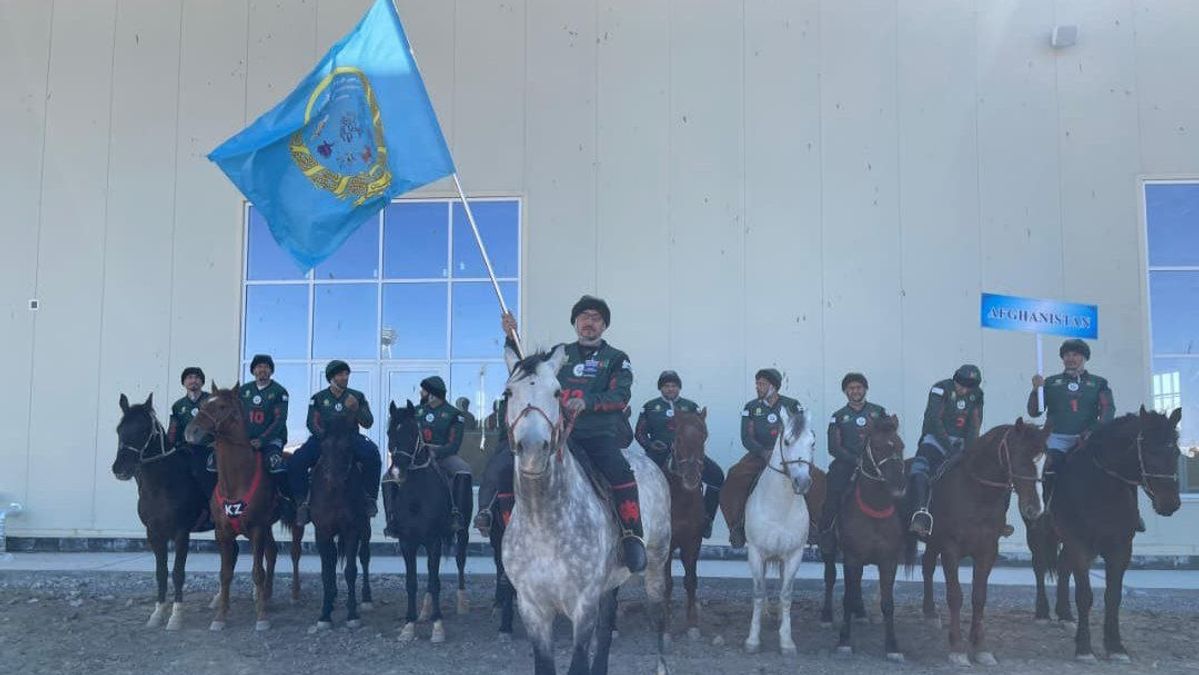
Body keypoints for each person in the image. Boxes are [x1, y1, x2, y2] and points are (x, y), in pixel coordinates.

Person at [501, 295, 647, 573]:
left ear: (604, 325)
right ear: (575, 323)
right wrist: (511, 337)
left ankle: (631, 536)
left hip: (597, 435)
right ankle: (509, 534)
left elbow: (621, 394)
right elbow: (523, 372)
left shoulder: (616, 358)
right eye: (583, 317)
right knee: (505, 468)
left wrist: (588, 402)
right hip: (558, 435)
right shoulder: (558, 355)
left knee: (621, 473)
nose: (588, 322)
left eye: (595, 318)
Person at [1028, 339, 1121, 520]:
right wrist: (1035, 390)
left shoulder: (1099, 383)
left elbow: (1108, 410)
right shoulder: (1051, 382)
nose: (1071, 358)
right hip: (1055, 438)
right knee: (1044, 469)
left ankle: (1126, 514)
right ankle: (1043, 509)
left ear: (1084, 358)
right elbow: (1035, 411)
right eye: (1067, 355)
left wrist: (1092, 430)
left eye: (1076, 355)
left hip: (1087, 439)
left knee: (1113, 467)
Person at [719, 368, 805, 548]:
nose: (758, 387)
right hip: (759, 455)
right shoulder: (751, 407)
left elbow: (800, 432)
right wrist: (762, 452)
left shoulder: (792, 405)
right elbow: (746, 437)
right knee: (735, 475)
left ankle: (814, 527)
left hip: (788, 456)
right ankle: (736, 526)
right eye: (757, 383)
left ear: (773, 386)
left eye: (762, 384)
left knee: (812, 478)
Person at [290, 360, 382, 525]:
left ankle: (370, 498)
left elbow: (368, 422)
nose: (345, 377)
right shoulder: (318, 398)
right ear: (331, 378)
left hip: (350, 438)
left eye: (347, 374)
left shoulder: (357, 396)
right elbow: (311, 422)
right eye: (341, 374)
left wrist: (356, 409)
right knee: (297, 460)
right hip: (323, 438)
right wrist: (323, 436)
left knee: (373, 454)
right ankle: (302, 503)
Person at [634, 370, 725, 538]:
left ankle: (707, 519)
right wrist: (650, 445)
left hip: (687, 455)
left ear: (679, 388)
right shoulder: (650, 406)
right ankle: (641, 522)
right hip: (659, 452)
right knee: (641, 482)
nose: (670, 389)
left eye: (674, 386)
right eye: (666, 386)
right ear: (661, 388)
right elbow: (639, 433)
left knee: (717, 477)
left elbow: (700, 430)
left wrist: (694, 448)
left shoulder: (690, 406)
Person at [907, 364, 983, 538]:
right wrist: (949, 448)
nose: (964, 390)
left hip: (962, 442)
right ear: (955, 380)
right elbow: (934, 419)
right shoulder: (940, 388)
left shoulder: (977, 395)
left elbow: (975, 423)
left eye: (968, 387)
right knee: (920, 467)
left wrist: (970, 448)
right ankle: (921, 512)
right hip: (936, 439)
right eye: (961, 385)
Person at [817, 372, 890, 551]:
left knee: (896, 488)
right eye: (851, 388)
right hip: (847, 463)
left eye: (858, 387)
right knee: (833, 492)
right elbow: (833, 447)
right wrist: (856, 460)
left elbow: (889, 437)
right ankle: (826, 533)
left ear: (865, 389)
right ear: (845, 391)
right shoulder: (839, 416)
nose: (855, 391)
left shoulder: (878, 412)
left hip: (876, 463)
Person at [410, 375, 473, 531]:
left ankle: (457, 512)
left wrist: (435, 452)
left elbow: (454, 445)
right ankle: (393, 516)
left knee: (463, 469)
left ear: (433, 393)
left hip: (443, 456)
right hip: (417, 457)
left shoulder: (454, 414)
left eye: (424, 390)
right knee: (391, 475)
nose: (421, 393)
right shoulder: (416, 411)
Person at [166, 366, 215, 527]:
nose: (193, 380)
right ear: (184, 383)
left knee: (202, 472)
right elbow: (173, 430)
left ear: (201, 381)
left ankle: (210, 510)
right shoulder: (178, 405)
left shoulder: (211, 401)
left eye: (196, 377)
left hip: (209, 447)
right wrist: (168, 448)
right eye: (189, 378)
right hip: (186, 449)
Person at [238, 354, 289, 476]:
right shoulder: (243, 390)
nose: (262, 370)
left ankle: (285, 493)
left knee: (275, 466)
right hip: (246, 440)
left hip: (271, 440)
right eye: (259, 366)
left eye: (266, 367)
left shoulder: (279, 391)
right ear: (253, 370)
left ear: (271, 371)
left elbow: (279, 419)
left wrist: (262, 440)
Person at [473, 393, 512, 536]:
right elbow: (505, 426)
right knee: (493, 469)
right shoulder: (505, 404)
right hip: (511, 443)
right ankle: (485, 511)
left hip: (545, 441)